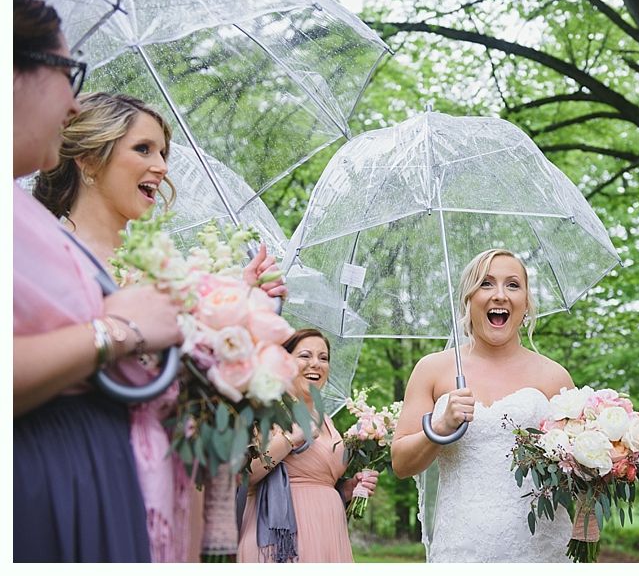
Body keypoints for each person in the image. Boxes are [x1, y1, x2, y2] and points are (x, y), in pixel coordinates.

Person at [31, 91, 287, 561]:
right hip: (86, 470)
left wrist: (234, 310)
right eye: (144, 149)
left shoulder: (161, 266)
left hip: (171, 476)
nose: (163, 166)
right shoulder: (46, 251)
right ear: (89, 159)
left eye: (164, 153)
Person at [12, 0, 183, 561]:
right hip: (49, 481)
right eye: (69, 72)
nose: (76, 105)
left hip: (106, 476)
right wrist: (116, 334)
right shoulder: (44, 233)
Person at [391, 248, 577, 562]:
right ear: (468, 298)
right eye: (486, 284)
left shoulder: (553, 376)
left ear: (527, 302)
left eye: (513, 285)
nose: (500, 295)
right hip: (461, 547)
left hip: (541, 550)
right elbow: (401, 463)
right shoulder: (432, 369)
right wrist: (439, 429)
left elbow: (579, 474)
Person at [236, 328, 379, 563]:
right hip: (282, 538)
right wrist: (290, 438)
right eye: (305, 356)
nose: (316, 364)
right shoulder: (266, 409)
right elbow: (246, 475)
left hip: (329, 533)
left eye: (324, 358)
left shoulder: (326, 420)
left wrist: (347, 490)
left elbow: (321, 481)